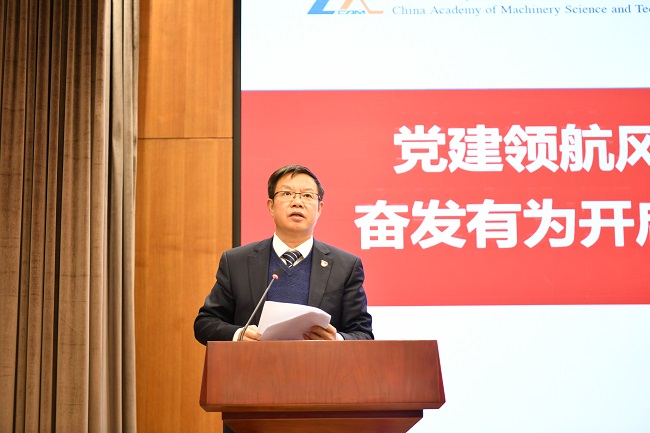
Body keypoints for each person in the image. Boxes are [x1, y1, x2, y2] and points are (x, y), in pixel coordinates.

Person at [194, 164, 373, 344]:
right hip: (253, 362)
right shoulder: (236, 262)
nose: (297, 202)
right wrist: (239, 334)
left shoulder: (345, 267)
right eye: (287, 194)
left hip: (319, 362)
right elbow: (205, 324)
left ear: (319, 208)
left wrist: (337, 340)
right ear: (271, 206)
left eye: (307, 195)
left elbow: (363, 333)